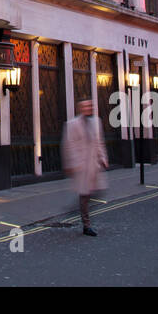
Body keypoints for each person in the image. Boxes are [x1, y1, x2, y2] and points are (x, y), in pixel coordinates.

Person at [61, 99, 108, 237]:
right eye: (86, 106)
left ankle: (78, 209)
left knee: (98, 192)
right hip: (81, 166)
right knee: (84, 194)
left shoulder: (96, 122)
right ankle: (86, 225)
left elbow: (99, 142)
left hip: (93, 164)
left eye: (91, 105)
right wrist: (73, 164)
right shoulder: (72, 124)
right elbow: (69, 145)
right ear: (80, 108)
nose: (89, 108)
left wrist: (103, 158)